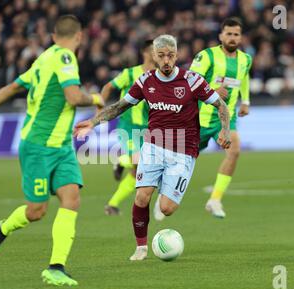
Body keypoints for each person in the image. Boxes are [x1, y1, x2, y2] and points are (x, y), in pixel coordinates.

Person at [0, 15, 104, 286]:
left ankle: (56, 267)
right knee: (36, 211)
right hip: (37, 146)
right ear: (80, 37)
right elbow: (73, 97)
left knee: (71, 198)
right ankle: (3, 228)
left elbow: (12, 87)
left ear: (52, 36)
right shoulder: (64, 58)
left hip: (61, 147)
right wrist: (94, 98)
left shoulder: (44, 58)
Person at [74, 34, 231, 261]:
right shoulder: (145, 81)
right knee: (141, 197)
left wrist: (225, 130)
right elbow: (119, 106)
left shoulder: (192, 80)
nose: (166, 60)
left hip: (183, 151)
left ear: (176, 55)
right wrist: (93, 121)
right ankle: (141, 247)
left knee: (167, 208)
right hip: (154, 146)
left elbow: (220, 104)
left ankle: (164, 192)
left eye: (170, 55)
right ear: (154, 57)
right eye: (161, 56)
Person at [188, 17, 252, 218]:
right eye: (229, 34)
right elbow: (188, 82)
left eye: (236, 34)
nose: (232, 38)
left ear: (240, 37)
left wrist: (246, 101)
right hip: (198, 119)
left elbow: (244, 77)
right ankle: (165, 196)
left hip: (226, 119)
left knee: (234, 151)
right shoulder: (207, 56)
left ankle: (215, 199)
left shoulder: (245, 59)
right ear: (221, 36)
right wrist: (212, 90)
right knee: (181, 162)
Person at [101, 39, 155, 216]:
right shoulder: (129, 73)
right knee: (139, 162)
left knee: (138, 170)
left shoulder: (160, 76)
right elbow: (109, 87)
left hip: (148, 128)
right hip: (128, 126)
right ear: (146, 53)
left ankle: (112, 204)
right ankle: (121, 160)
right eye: (155, 51)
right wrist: (100, 108)